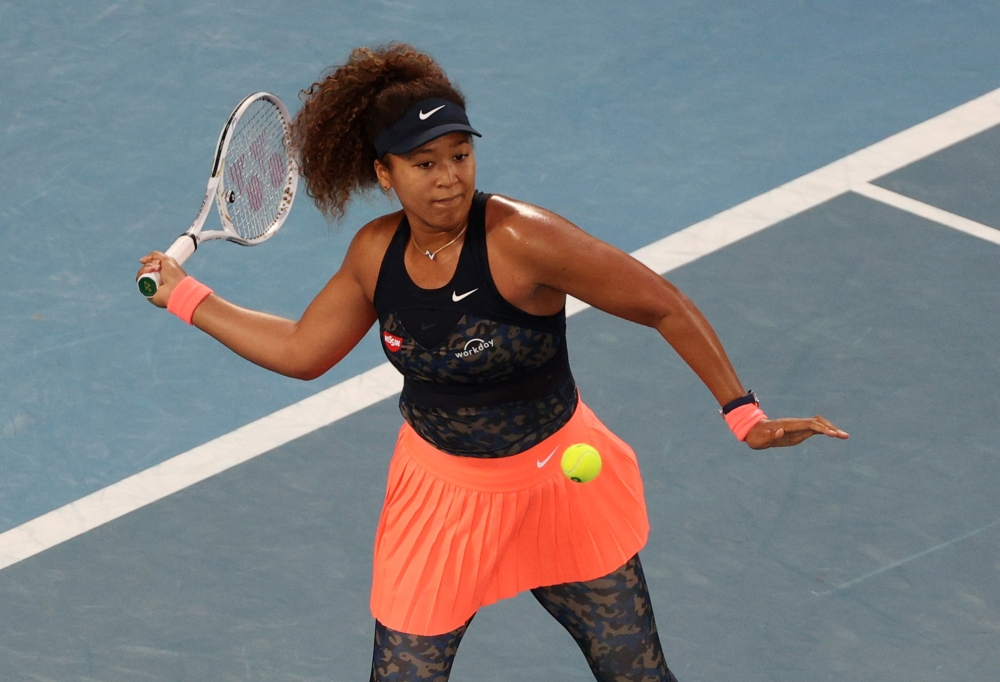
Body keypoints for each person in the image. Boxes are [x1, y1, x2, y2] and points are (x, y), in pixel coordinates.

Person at [138, 43, 849, 682]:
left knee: (635, 673)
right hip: (438, 498)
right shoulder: (374, 255)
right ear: (384, 173)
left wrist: (742, 412)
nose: (448, 178)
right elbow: (302, 351)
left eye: (460, 156)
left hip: (560, 485)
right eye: (424, 163)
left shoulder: (522, 240)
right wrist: (186, 296)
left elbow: (661, 303)